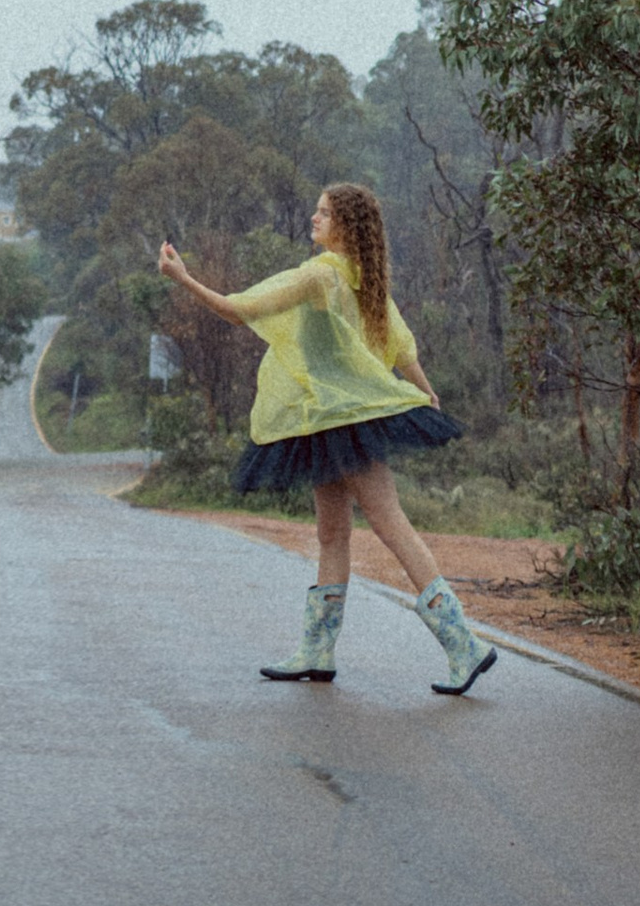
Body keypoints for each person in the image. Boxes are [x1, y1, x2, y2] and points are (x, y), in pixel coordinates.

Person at [159, 182, 498, 696]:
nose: (313, 219)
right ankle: (317, 650)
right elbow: (400, 345)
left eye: (324, 213)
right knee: (331, 534)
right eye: (315, 211)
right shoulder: (362, 278)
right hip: (324, 421)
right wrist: (426, 392)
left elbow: (238, 309)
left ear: (346, 226)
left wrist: (183, 279)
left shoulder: (320, 276)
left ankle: (463, 645)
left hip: (342, 420)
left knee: (389, 522)